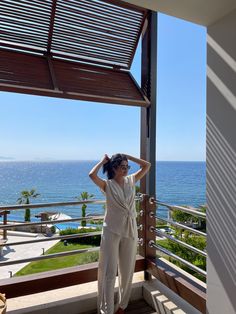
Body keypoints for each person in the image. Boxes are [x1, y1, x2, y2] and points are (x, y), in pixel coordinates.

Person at [89, 153, 151, 314]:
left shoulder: (131, 180)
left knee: (127, 269)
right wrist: (102, 161)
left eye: (127, 166)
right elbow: (91, 175)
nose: (125, 169)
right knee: (109, 271)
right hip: (111, 230)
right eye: (122, 166)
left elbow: (147, 165)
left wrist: (128, 156)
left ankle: (122, 306)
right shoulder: (107, 185)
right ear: (114, 168)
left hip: (130, 230)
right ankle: (106, 309)